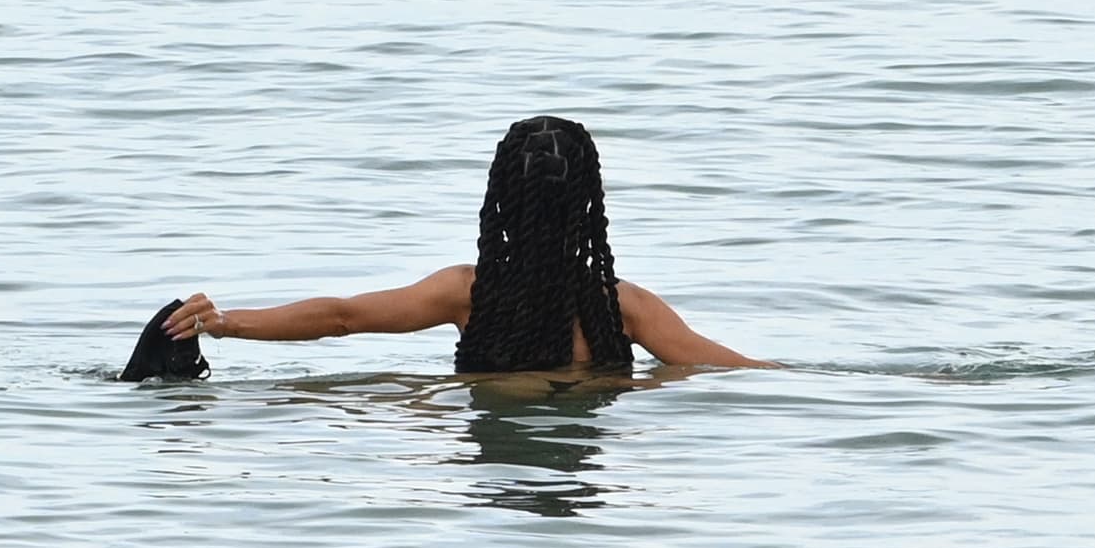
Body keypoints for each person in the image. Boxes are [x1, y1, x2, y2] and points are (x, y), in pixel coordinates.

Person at [164, 115, 778, 371]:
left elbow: (341, 318)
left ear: (503, 197)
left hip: (489, 451)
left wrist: (227, 324)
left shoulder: (469, 294)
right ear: (589, 203)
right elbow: (733, 370)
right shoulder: (624, 306)